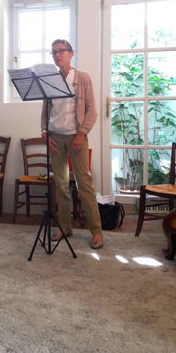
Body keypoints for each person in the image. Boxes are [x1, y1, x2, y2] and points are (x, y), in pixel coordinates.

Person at [41, 39, 103, 249]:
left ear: (71, 53)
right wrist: (44, 132)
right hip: (55, 138)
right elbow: (45, 110)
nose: (57, 55)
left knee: (84, 184)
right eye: (54, 52)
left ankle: (96, 232)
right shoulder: (49, 79)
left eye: (61, 51)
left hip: (76, 137)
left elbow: (92, 111)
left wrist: (80, 134)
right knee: (60, 184)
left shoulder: (82, 78)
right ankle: (65, 227)